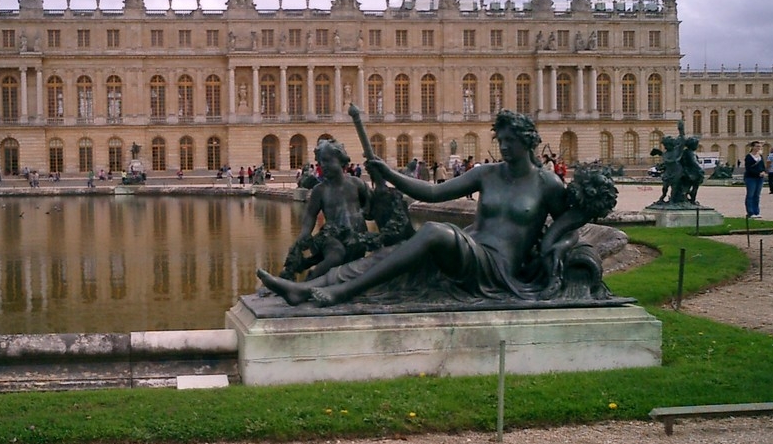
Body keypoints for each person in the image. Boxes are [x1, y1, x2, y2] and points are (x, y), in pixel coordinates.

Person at [258, 110, 610, 307]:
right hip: (472, 250)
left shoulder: (547, 183)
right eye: (500, 141)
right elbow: (431, 192)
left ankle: (340, 292)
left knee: (433, 233)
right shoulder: (486, 173)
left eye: (510, 142)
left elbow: (567, 224)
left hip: (497, 269)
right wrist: (389, 173)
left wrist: (564, 239)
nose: (503, 147)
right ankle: (304, 289)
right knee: (390, 253)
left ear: (528, 142)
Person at [279, 139, 371, 281]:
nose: (323, 165)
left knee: (351, 266)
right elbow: (310, 215)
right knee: (336, 256)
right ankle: (308, 282)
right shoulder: (320, 190)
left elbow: (371, 206)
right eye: (320, 162)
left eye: (327, 161)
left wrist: (367, 209)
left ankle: (319, 278)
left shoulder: (356, 184)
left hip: (357, 237)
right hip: (330, 237)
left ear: (341, 161)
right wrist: (305, 233)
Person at [744, 141, 766, 218]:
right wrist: (758, 173)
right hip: (750, 178)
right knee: (750, 195)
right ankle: (750, 212)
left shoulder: (760, 156)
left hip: (759, 178)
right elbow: (748, 168)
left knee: (757, 195)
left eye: (759, 146)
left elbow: (763, 166)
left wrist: (763, 172)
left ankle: (756, 212)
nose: (758, 148)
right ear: (752, 147)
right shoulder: (749, 157)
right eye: (757, 146)